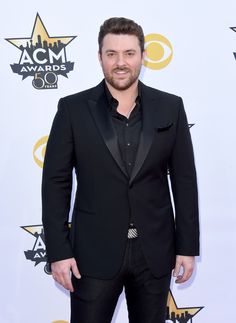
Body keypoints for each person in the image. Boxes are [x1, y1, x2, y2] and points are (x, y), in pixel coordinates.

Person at [42, 17, 199, 323]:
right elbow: (55, 183)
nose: (120, 62)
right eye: (111, 53)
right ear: (100, 57)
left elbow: (185, 180)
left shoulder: (171, 107)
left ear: (142, 55)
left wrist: (187, 246)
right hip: (93, 255)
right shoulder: (72, 109)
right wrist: (58, 251)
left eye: (129, 53)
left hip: (154, 253)